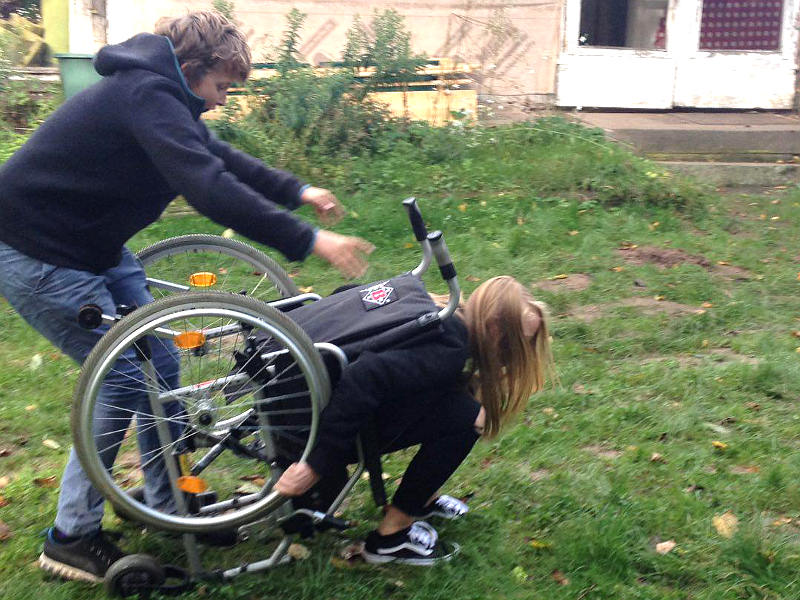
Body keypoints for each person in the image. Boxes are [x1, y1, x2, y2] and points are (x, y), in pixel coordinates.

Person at [0, 11, 373, 583]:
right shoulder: (145, 94)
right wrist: (310, 240)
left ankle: (169, 503)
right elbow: (207, 186)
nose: (222, 99)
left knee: (162, 365)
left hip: (91, 247)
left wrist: (297, 190)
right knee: (124, 379)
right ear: (194, 67)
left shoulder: (161, 95)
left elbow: (218, 157)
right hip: (37, 251)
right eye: (222, 85)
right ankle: (70, 537)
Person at [276, 276, 554, 565]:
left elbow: (345, 292)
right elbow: (366, 376)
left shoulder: (425, 299)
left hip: (288, 375)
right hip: (312, 421)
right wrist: (316, 464)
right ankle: (391, 536)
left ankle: (424, 497)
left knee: (458, 399)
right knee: (471, 418)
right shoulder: (449, 348)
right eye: (515, 346)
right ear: (494, 328)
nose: (512, 358)